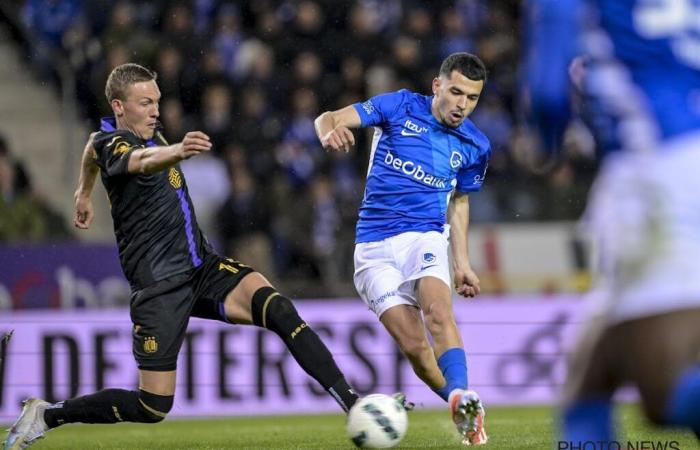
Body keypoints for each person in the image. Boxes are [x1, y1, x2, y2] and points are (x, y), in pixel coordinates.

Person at [3, 63, 361, 450]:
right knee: (153, 405)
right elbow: (136, 160)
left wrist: (83, 192)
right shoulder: (117, 144)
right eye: (145, 103)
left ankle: (353, 404)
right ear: (118, 106)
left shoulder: (138, 132)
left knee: (278, 308)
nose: (156, 110)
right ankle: (47, 415)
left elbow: (88, 150)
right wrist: (176, 150)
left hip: (202, 267)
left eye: (157, 101)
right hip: (159, 287)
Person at [524, 0, 700, 445]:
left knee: (661, 396)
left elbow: (547, 93)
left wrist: (545, 143)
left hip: (654, 170)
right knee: (590, 373)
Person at [314, 52, 490, 445]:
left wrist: (462, 263)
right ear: (437, 85)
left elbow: (460, 201)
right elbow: (329, 117)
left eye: (473, 98)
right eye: (457, 92)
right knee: (414, 346)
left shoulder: (476, 145)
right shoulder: (399, 106)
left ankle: (464, 397)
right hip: (373, 247)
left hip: (424, 236)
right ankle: (457, 401)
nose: (462, 105)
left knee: (438, 313)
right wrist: (329, 131)